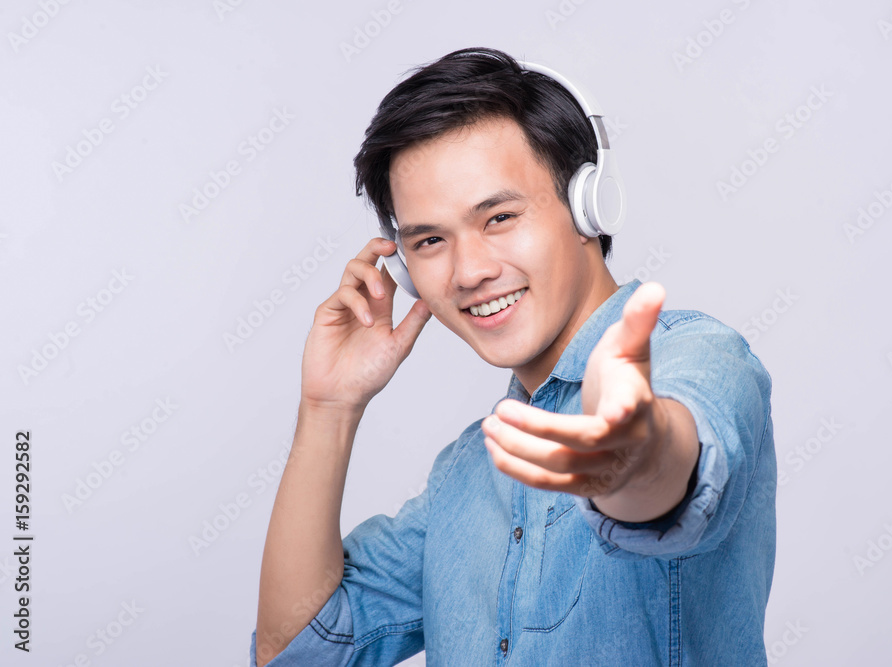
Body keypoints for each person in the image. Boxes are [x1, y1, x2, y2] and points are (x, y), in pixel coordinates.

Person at [251, 46, 776, 666]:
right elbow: (301, 651)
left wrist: (632, 462)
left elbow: (669, 467)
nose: (470, 271)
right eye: (429, 240)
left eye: (499, 216)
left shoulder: (697, 356)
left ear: (590, 204)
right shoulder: (465, 475)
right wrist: (329, 406)